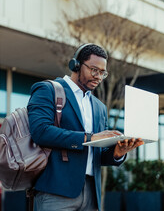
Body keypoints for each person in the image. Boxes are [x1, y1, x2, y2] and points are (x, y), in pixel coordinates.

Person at [27, 43, 144, 210]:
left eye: (102, 73)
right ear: (76, 65)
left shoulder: (99, 107)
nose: (98, 76)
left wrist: (117, 153)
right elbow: (40, 132)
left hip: (91, 193)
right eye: (94, 70)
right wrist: (89, 137)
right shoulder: (47, 90)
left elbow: (98, 153)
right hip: (56, 191)